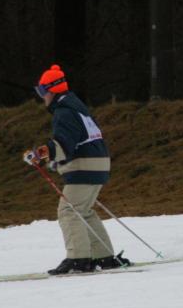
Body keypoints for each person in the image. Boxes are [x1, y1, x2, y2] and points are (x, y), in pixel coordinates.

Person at [24, 64, 129, 274]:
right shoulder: (77, 107)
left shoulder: (64, 112)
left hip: (85, 166)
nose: (42, 97)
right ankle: (104, 257)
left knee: (68, 211)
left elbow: (64, 144)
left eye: (42, 91)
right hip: (98, 164)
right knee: (83, 211)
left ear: (52, 90)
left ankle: (78, 259)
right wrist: (50, 158)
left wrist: (39, 154)